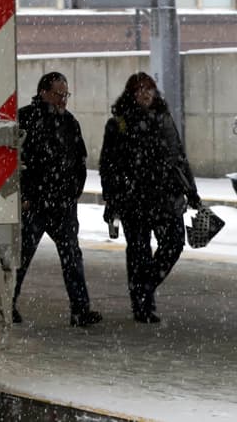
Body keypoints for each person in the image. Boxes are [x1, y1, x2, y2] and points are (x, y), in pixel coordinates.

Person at [99, 72, 201, 323]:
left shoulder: (164, 119)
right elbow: (108, 166)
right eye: (139, 89)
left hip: (166, 196)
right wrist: (111, 200)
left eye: (149, 89)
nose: (145, 94)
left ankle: (144, 287)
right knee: (138, 252)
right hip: (133, 199)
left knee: (174, 244)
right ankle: (142, 306)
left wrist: (191, 190)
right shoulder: (119, 124)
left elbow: (179, 158)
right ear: (131, 94)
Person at [12, 72, 102, 327]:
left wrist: (73, 192)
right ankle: (8, 303)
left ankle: (80, 309)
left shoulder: (70, 122)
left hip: (62, 204)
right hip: (34, 204)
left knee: (72, 256)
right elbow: (15, 162)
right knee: (22, 257)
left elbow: (79, 161)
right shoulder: (25, 119)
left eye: (66, 94)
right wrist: (25, 197)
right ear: (44, 93)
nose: (63, 99)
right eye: (58, 94)